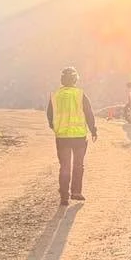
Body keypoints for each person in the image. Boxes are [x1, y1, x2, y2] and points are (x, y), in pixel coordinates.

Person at [46, 66, 97, 206]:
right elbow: (89, 113)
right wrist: (93, 130)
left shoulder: (55, 95)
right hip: (79, 137)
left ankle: (64, 196)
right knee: (78, 165)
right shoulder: (81, 94)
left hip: (62, 137)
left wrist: (55, 127)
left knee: (64, 166)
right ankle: (76, 192)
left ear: (62, 80)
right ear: (75, 79)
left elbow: (50, 115)